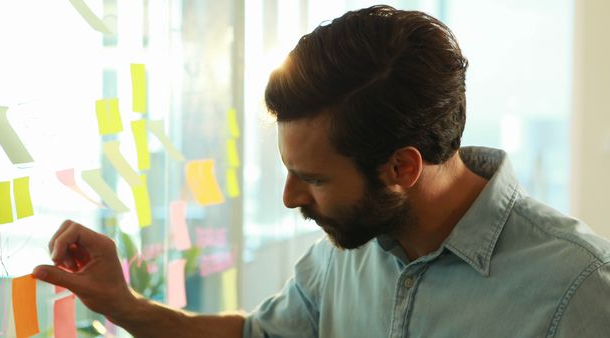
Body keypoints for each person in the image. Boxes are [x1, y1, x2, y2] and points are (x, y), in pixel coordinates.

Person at [33, 5, 610, 338]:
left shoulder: (581, 292)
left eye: (313, 178)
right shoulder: (348, 246)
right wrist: (123, 304)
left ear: (402, 167)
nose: (289, 198)